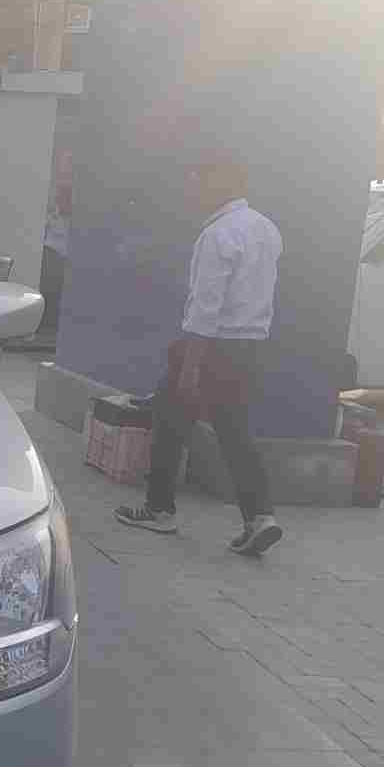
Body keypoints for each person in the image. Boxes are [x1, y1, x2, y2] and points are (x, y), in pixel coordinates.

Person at [115, 145, 284, 557]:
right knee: (235, 432)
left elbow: (206, 307)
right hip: (251, 346)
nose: (193, 187)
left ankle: (160, 509)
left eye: (201, 178)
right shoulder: (266, 229)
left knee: (170, 419)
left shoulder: (217, 235)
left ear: (226, 180)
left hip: (211, 347)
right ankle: (260, 517)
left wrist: (191, 365)